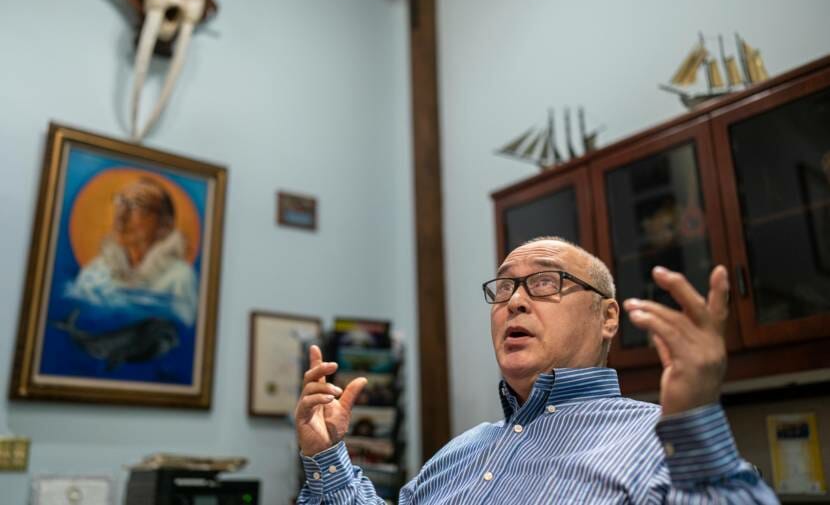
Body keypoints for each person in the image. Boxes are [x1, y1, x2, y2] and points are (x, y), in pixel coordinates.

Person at [294, 236, 778, 504]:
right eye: (503, 290)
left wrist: (693, 419)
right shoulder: (457, 455)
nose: (516, 301)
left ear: (607, 317)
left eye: (545, 282)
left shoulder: (659, 444)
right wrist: (326, 456)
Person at [66, 176, 198, 326]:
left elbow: (183, 331)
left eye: (136, 204)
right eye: (120, 202)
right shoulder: (94, 272)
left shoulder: (180, 277)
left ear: (165, 225)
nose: (121, 215)